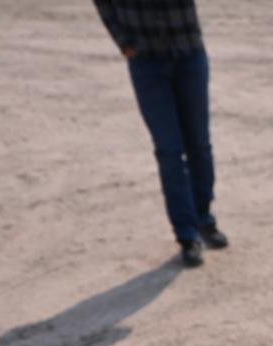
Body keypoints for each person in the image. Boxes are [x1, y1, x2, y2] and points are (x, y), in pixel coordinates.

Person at [92, 1, 228, 267]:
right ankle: (186, 235)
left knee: (199, 144)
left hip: (188, 52)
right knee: (169, 150)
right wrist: (123, 41)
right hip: (146, 60)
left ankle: (203, 218)